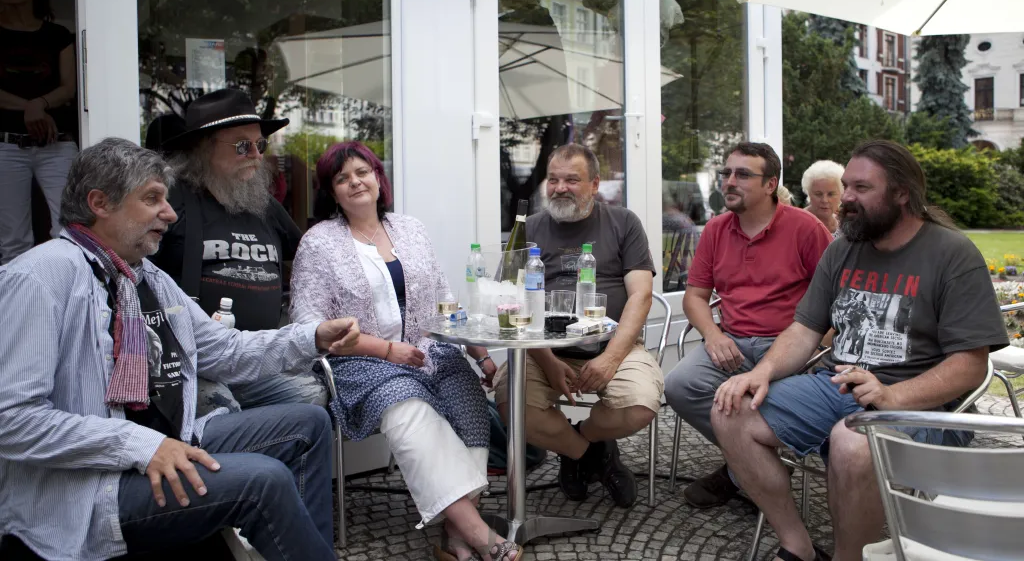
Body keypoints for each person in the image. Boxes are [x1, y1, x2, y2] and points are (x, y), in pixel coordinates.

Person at [0, 138, 361, 561]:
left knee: (308, 424)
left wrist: (311, 336)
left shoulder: (146, 278)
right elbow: (13, 420)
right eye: (152, 199)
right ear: (100, 203)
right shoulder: (40, 277)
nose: (169, 214)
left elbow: (225, 351)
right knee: (264, 480)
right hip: (94, 484)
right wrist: (139, 444)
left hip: (174, 436)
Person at [712, 140, 1008, 561]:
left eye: (861, 188)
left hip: (925, 404)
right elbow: (804, 330)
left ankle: (850, 556)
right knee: (731, 410)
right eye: (846, 185)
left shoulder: (952, 255)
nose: (846, 198)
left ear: (902, 193)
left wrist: (893, 396)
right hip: (837, 386)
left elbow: (970, 365)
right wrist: (762, 372)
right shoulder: (844, 248)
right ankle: (797, 546)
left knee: (852, 442)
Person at [288, 142, 520, 561]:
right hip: (359, 360)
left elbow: (446, 301)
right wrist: (385, 349)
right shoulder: (319, 243)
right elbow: (309, 325)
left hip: (429, 350)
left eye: (362, 172)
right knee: (406, 403)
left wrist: (481, 355)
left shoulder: (410, 229)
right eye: (342, 178)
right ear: (332, 192)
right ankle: (478, 532)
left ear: (378, 178)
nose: (355, 182)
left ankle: (455, 537)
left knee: (468, 402)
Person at [493, 144, 663, 508]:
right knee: (511, 405)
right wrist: (546, 360)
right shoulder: (528, 228)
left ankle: (582, 442)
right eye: (553, 180)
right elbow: (508, 299)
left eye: (572, 180)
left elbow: (641, 296)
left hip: (612, 346)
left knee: (641, 406)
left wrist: (611, 360)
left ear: (595, 184)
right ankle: (589, 455)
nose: (560, 188)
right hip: (543, 351)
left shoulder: (623, 222)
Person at [664, 142, 832, 509]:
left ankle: (740, 472)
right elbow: (694, 296)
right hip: (733, 343)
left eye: (742, 175)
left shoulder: (806, 228)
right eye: (726, 173)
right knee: (680, 386)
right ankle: (758, 464)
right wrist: (713, 335)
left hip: (791, 347)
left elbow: (835, 300)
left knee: (764, 404)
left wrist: (820, 348)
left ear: (770, 184)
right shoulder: (715, 230)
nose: (729, 182)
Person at [150, 89, 324, 416]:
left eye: (260, 145)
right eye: (242, 145)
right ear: (202, 149)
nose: (256, 155)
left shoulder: (262, 205)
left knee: (311, 399)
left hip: (257, 361)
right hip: (196, 362)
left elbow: (310, 255)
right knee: (221, 411)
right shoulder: (173, 204)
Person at [0, 0, 78, 264]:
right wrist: (34, 106)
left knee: (70, 230)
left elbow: (69, 88)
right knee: (12, 241)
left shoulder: (57, 35)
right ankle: (20, 305)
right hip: (7, 145)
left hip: (56, 144)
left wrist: (38, 104)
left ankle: (66, 298)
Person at [801, 160, 845, 236]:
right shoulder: (797, 223)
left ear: (841, 194)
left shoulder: (845, 227)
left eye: (831, 194)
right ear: (808, 193)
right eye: (818, 194)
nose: (824, 200)